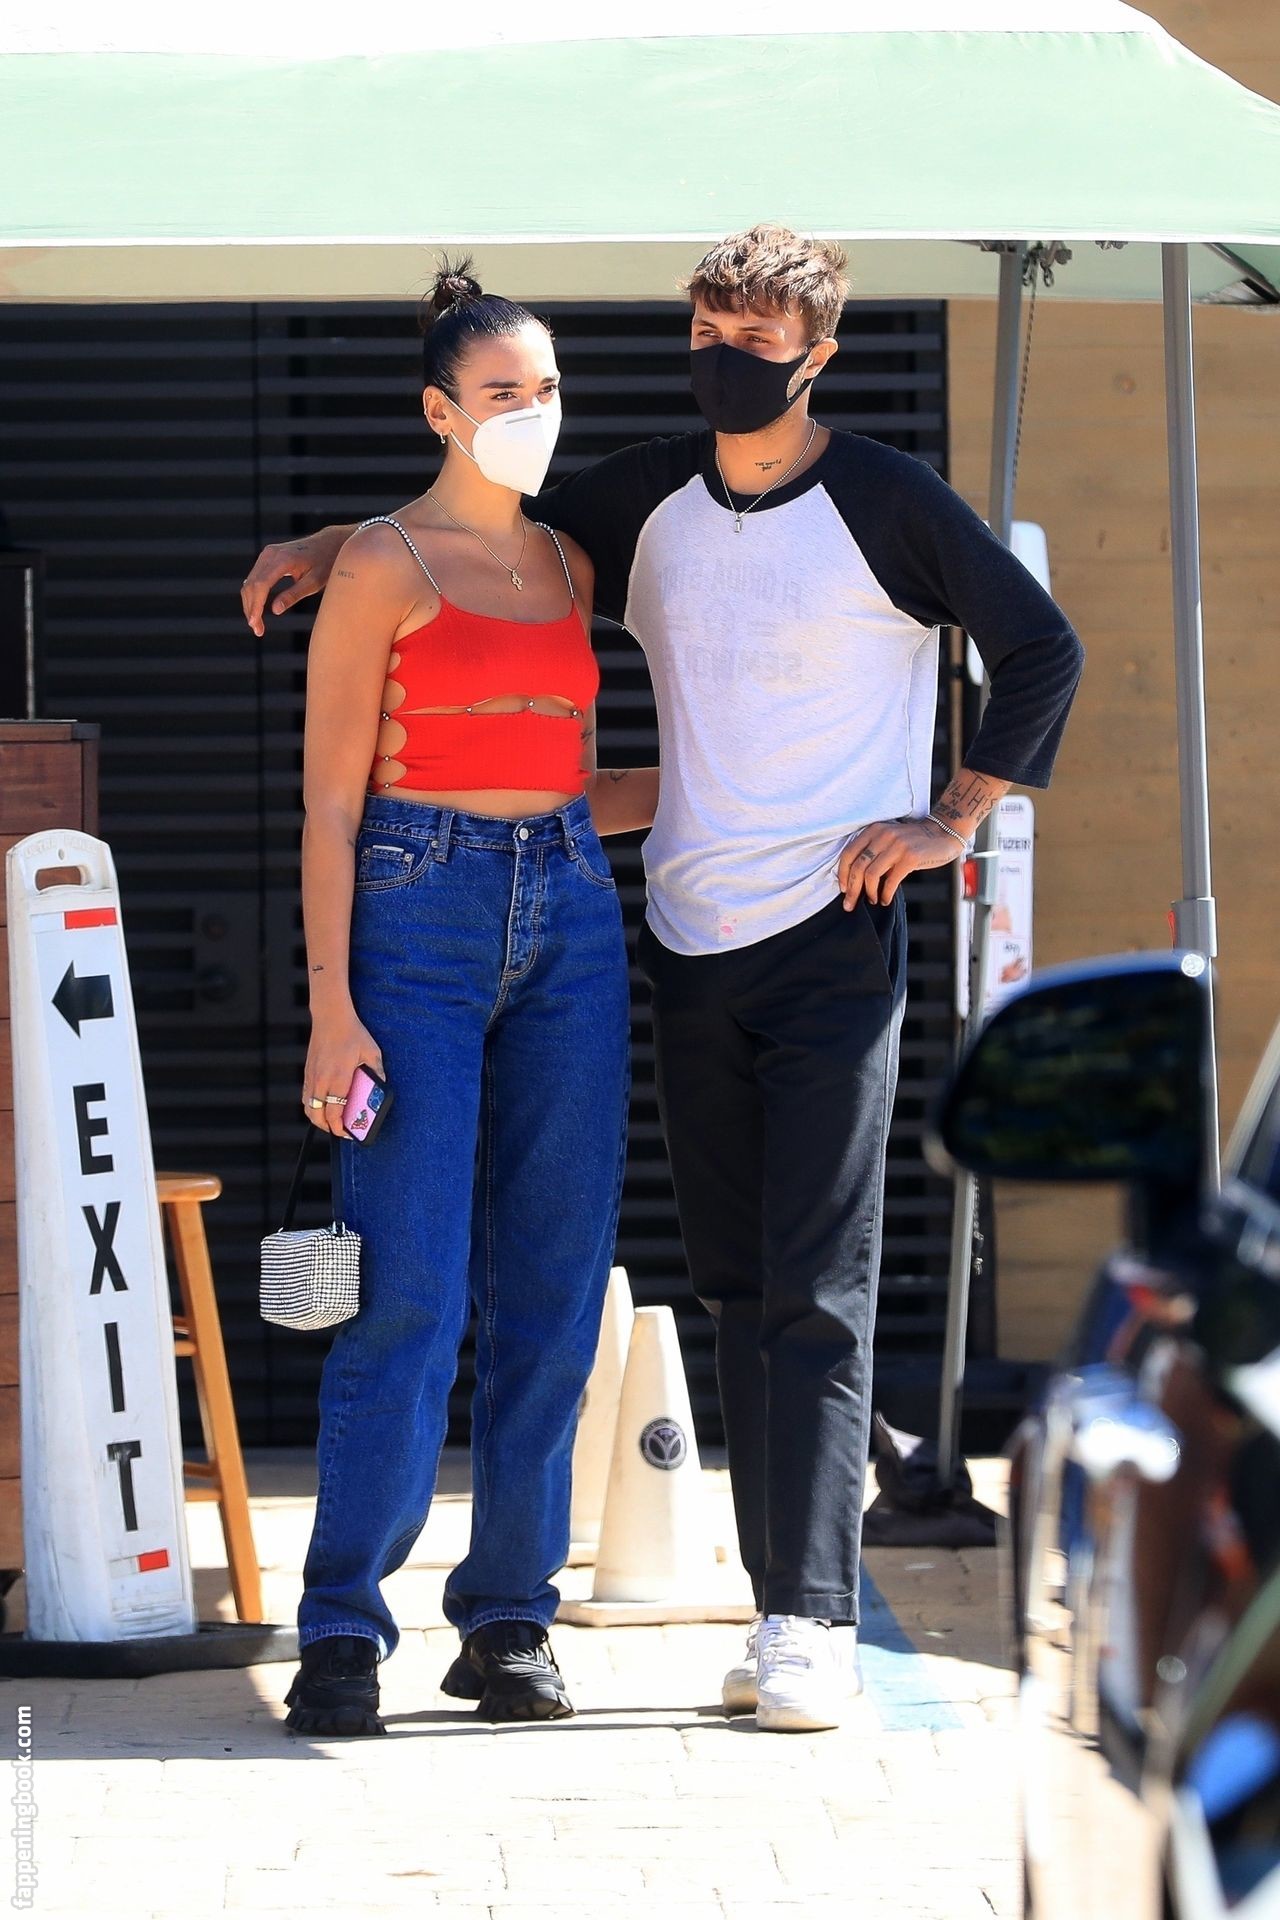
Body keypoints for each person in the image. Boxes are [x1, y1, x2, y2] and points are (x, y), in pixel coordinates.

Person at [245, 225, 1084, 1735]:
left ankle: (661, 1618)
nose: (725, 362)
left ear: (817, 358)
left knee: (684, 1288)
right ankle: (381, 1627)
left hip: (708, 917)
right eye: (707, 333)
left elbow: (1038, 648)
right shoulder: (591, 516)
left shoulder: (784, 518)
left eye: (758, 343)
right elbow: (430, 589)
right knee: (545, 1288)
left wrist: (947, 819)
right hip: (547, 923)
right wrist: (325, 549)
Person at [281, 261, 648, 1738]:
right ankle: (341, 1627)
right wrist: (330, 1005)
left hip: (571, 908)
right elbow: (328, 807)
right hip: (409, 914)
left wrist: (762, 796)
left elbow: (571, 777)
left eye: (547, 389)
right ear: (441, 410)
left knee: (554, 1286)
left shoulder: (571, 564)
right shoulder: (380, 565)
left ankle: (507, 1617)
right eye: (504, 392)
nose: (534, 412)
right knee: (409, 1290)